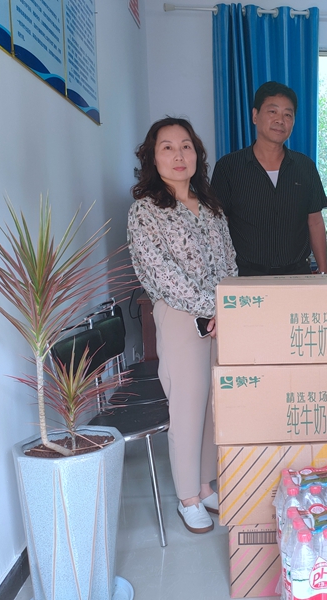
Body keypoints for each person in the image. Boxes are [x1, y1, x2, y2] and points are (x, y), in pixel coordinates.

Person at [127, 117, 237, 534]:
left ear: (197, 154)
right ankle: (187, 497)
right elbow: (161, 272)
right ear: (152, 158)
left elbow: (229, 260)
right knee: (187, 407)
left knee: (212, 407)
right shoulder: (146, 210)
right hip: (180, 316)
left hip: (221, 317)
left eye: (186, 146)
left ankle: (205, 486)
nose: (178, 155)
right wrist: (211, 308)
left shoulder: (210, 207)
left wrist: (228, 305)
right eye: (167, 147)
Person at [211, 81, 327, 276]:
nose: (280, 120)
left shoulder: (305, 166)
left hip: (298, 275)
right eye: (272, 112)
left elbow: (315, 222)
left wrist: (323, 271)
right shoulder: (229, 167)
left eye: (288, 115)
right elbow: (219, 226)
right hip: (246, 276)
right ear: (255, 115)